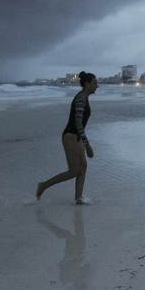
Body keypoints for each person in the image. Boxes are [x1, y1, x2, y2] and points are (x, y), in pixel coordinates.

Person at [36, 71, 98, 204]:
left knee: (83, 167)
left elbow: (79, 125)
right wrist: (87, 145)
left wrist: (83, 141)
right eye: (94, 83)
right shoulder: (81, 99)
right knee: (74, 170)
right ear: (87, 84)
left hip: (77, 136)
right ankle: (43, 186)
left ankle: (78, 199)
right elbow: (77, 123)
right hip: (70, 136)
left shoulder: (84, 97)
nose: (97, 86)